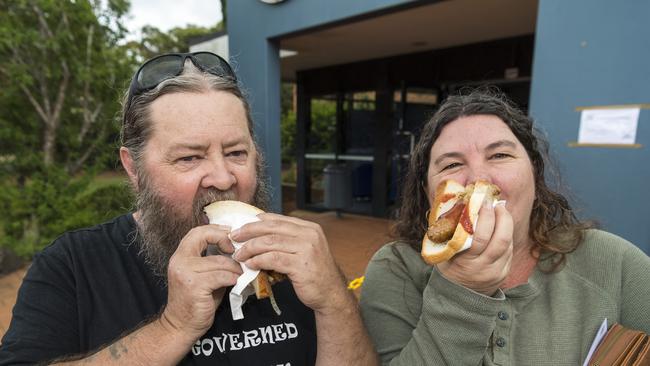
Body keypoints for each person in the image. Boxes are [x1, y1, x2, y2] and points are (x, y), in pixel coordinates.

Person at [0, 52, 378, 366]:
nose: (223, 177)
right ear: (134, 169)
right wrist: (173, 326)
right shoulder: (73, 266)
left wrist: (333, 301)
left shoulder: (299, 259)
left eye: (235, 153)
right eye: (189, 157)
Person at [359, 89, 650, 365]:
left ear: (535, 174)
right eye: (451, 165)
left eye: (499, 155)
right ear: (428, 193)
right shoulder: (396, 268)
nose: (479, 178)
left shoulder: (614, 261)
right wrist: (462, 289)